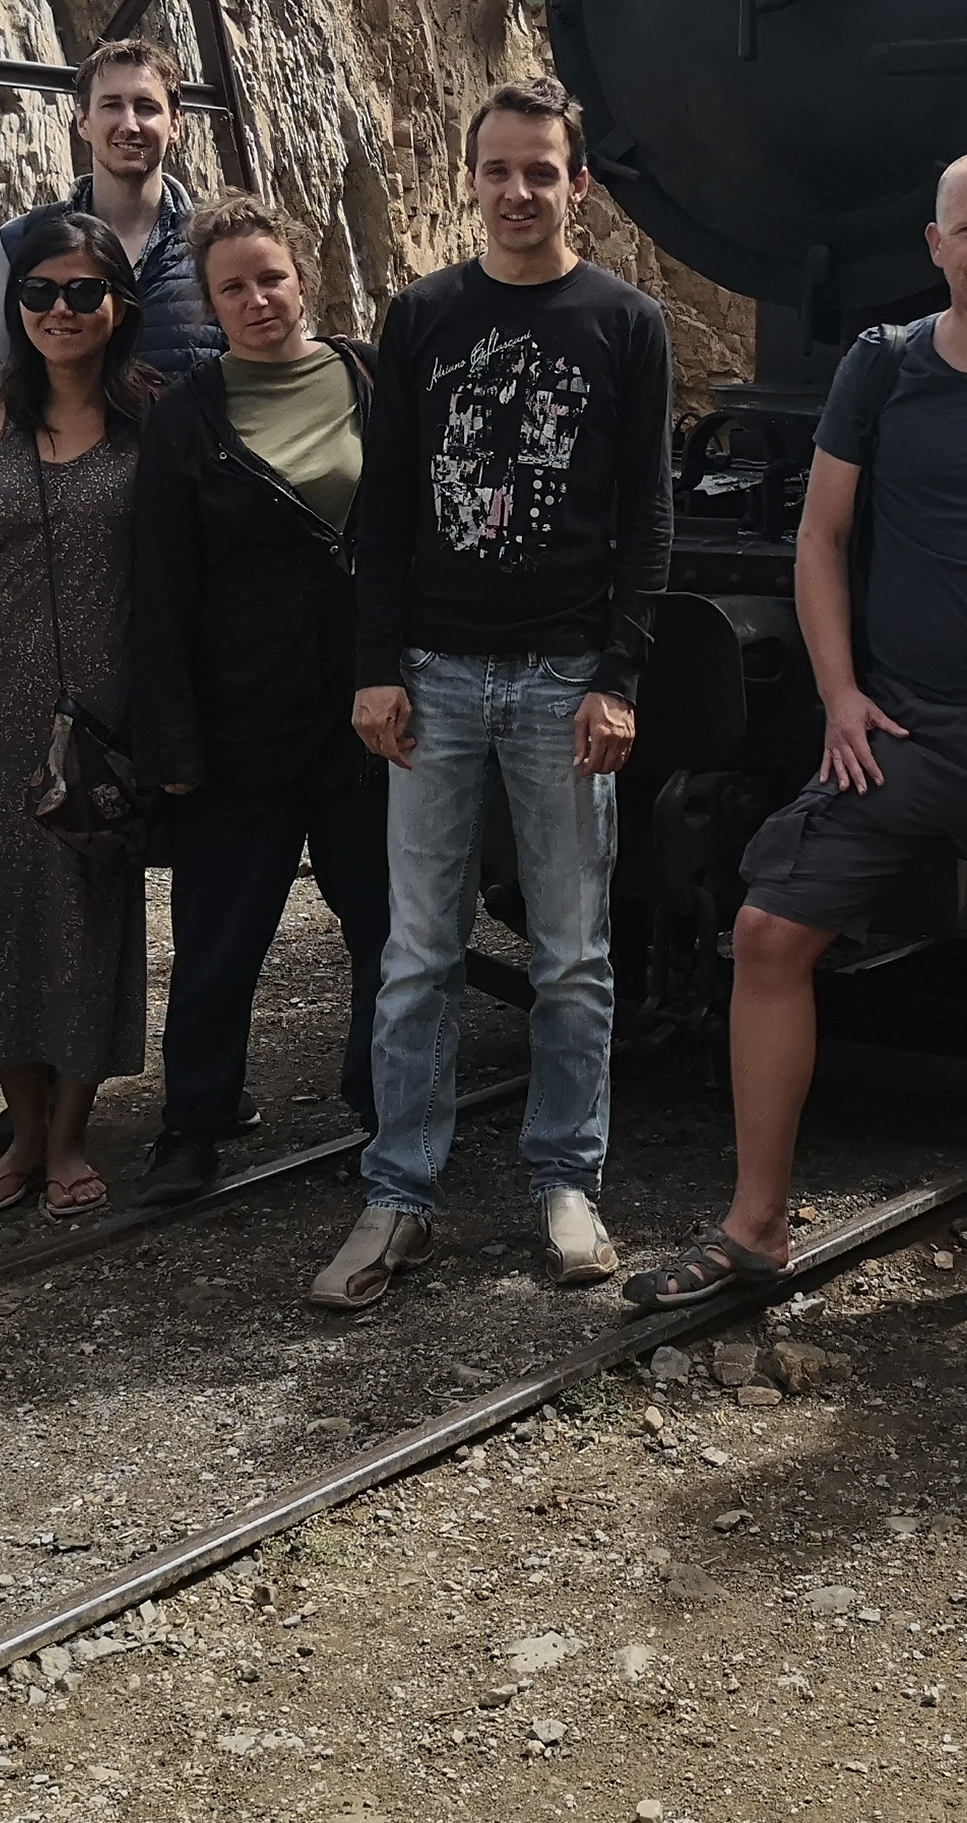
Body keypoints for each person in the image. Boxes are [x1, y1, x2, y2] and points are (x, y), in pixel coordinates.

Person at [625, 150, 967, 1342]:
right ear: (933, 246)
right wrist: (838, 696)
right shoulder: (882, 366)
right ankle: (756, 1224)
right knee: (769, 930)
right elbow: (821, 538)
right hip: (904, 727)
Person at [315, 76, 674, 1312]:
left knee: (572, 955)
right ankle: (399, 1193)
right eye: (498, 170)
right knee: (419, 952)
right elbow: (387, 506)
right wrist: (376, 666)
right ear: (471, 179)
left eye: (541, 171)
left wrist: (619, 676)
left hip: (565, 678)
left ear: (579, 184)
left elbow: (648, 516)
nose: (518, 192)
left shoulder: (626, 322)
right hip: (435, 676)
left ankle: (567, 1180)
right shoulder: (423, 316)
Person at [125, 197, 389, 1207]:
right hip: (238, 722)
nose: (257, 299)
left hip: (366, 718)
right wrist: (171, 741)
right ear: (209, 303)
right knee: (219, 939)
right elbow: (160, 589)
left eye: (270, 277)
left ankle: (385, 1109)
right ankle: (193, 1124)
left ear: (302, 279)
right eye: (231, 286)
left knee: (388, 929)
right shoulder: (185, 417)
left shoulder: (369, 378)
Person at [0, 209, 158, 1220]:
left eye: (83, 291)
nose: (62, 310)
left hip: (104, 712)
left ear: (118, 305)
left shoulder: (152, 418)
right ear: (17, 307)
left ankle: (68, 1138)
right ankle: (20, 1128)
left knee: (86, 916)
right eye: (41, 292)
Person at [0, 38, 220, 390]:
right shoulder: (18, 242)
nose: (129, 124)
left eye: (146, 107)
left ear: (176, 125)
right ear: (83, 122)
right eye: (111, 105)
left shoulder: (215, 242)